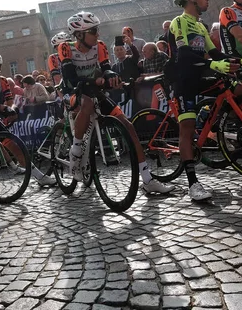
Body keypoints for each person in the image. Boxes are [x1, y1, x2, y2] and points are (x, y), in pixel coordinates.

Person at [59, 11, 174, 194]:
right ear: (79, 34)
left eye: (97, 30)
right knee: (87, 103)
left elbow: (106, 68)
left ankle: (147, 179)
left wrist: (111, 77)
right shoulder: (66, 47)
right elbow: (71, 79)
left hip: (94, 90)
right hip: (73, 92)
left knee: (128, 126)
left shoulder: (101, 46)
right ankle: (76, 149)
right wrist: (96, 81)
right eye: (93, 31)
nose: (98, 34)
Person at [169, 0, 242, 201]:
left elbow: (215, 53)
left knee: (238, 90)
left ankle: (217, 127)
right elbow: (186, 55)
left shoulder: (200, 26)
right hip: (183, 81)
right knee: (186, 129)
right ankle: (193, 185)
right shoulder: (179, 22)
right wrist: (213, 65)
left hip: (200, 76)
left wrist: (241, 61)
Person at [0, 52, 56, 186]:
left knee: (13, 145)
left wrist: (13, 109)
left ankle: (39, 176)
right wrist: (1, 108)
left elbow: (10, 102)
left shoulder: (3, 81)